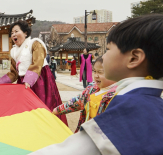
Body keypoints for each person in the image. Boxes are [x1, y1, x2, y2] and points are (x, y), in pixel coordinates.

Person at [33, 14, 163, 155]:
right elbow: (75, 103)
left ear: (134, 58)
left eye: (108, 50)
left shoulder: (129, 107)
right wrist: (57, 110)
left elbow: (77, 150)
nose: (104, 56)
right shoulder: (152, 104)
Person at [0, 20, 67, 125]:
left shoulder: (35, 43)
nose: (13, 34)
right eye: (11, 33)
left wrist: (28, 80)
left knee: (44, 108)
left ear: (25, 33)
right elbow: (14, 73)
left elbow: (37, 63)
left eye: (16, 31)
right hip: (23, 84)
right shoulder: (14, 51)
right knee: (25, 111)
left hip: (40, 81)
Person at [52, 56, 117, 133]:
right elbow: (78, 101)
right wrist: (57, 110)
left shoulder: (117, 95)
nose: (96, 75)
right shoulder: (92, 88)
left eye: (100, 72)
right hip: (87, 130)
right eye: (94, 71)